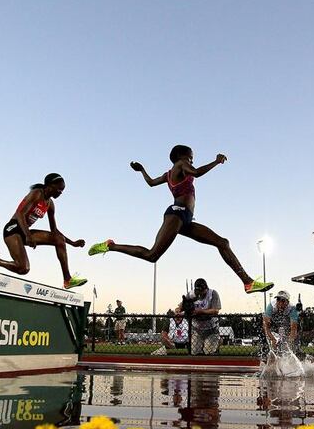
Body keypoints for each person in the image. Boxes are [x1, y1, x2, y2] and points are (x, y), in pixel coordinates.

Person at [87, 145, 273, 294]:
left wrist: (142, 170)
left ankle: (248, 283)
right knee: (152, 255)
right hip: (176, 214)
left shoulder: (169, 174)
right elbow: (197, 173)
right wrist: (216, 161)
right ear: (183, 156)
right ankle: (111, 246)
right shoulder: (181, 165)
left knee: (222, 242)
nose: (192, 160)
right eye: (191, 157)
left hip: (185, 219)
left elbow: (151, 182)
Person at [0, 173, 87, 290]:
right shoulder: (37, 193)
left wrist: (72, 243)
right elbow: (20, 214)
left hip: (26, 231)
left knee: (58, 239)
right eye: (59, 189)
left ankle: (67, 280)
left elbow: (54, 231)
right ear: (50, 185)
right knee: (23, 268)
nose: (60, 193)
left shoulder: (50, 204)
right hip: (13, 229)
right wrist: (28, 235)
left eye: (62, 191)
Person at [175, 279, 221, 356]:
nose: (201, 294)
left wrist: (200, 311)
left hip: (211, 328)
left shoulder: (212, 293)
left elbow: (216, 310)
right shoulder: (191, 294)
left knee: (209, 352)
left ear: (206, 288)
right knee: (194, 353)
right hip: (196, 329)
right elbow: (181, 306)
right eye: (199, 291)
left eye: (203, 291)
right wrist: (178, 310)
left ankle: (217, 345)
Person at [262, 290, 300, 354]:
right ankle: (265, 354)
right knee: (263, 330)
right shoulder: (271, 306)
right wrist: (273, 339)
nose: (280, 303)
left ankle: (297, 352)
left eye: (283, 300)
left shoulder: (292, 309)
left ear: (287, 302)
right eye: (278, 300)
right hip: (274, 321)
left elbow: (293, 330)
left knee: (293, 338)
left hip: (287, 322)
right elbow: (266, 327)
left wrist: (288, 343)